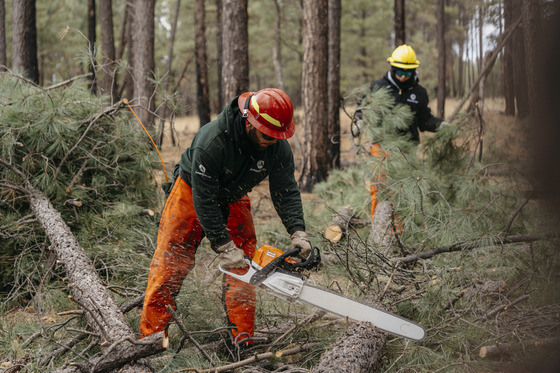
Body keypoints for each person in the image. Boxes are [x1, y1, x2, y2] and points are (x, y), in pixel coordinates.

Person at [138, 88, 312, 347]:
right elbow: (204, 199)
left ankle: (242, 340)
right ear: (250, 122)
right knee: (171, 264)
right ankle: (149, 341)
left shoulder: (278, 148)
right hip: (191, 191)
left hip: (234, 194)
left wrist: (297, 230)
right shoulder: (212, 140)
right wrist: (222, 244)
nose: (272, 141)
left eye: (277, 137)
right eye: (267, 135)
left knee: (245, 267)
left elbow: (285, 190)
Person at [354, 44, 444, 143]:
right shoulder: (378, 87)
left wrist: (442, 125)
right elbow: (362, 108)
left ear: (413, 72)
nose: (403, 77)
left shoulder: (419, 93)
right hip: (380, 145)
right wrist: (360, 121)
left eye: (407, 73)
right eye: (400, 73)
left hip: (408, 148)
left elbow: (424, 121)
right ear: (393, 70)